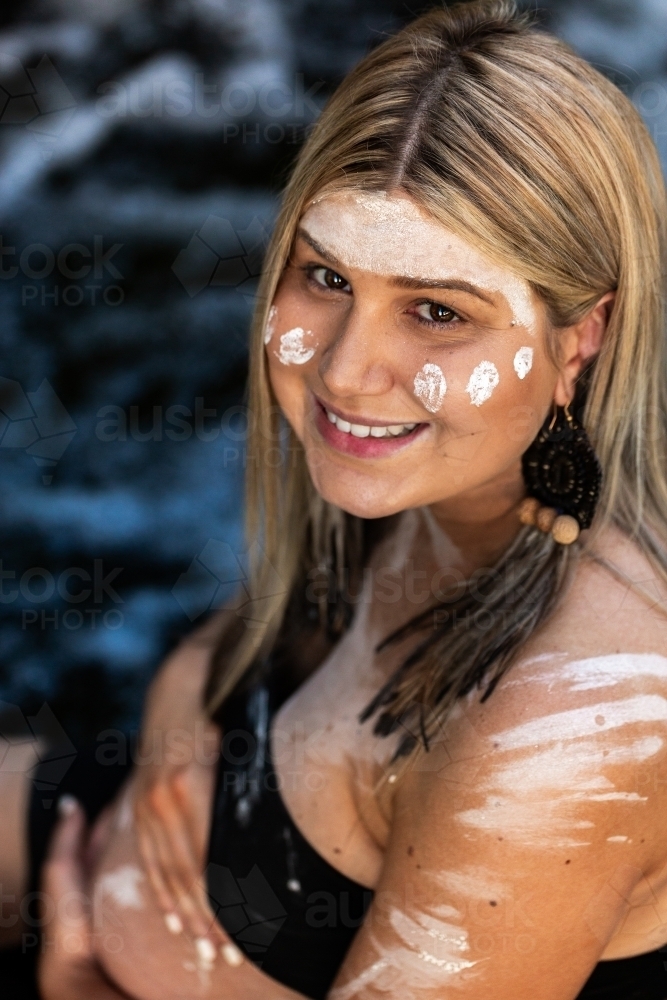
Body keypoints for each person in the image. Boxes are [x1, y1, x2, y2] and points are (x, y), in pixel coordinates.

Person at [2, 1, 667, 997]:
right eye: (325, 277)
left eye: (436, 310)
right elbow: (278, 631)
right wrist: (186, 702)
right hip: (151, 834)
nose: (348, 373)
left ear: (581, 339)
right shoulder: (470, 485)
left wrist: (80, 979)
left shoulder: (559, 732)